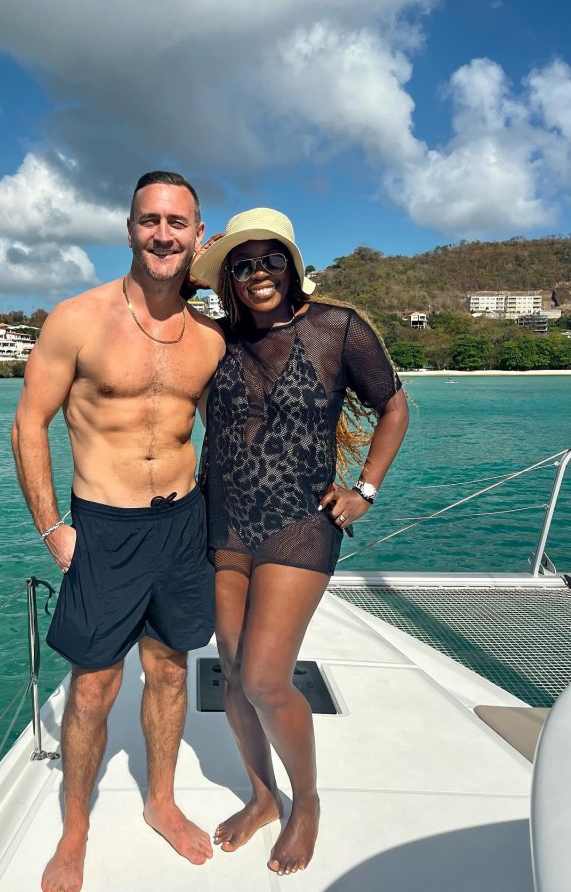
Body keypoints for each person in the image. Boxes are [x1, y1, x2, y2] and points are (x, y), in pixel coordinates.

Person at [12, 171, 225, 892]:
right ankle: (75, 829)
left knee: (170, 671)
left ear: (199, 235)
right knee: (94, 687)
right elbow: (28, 424)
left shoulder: (212, 338)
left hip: (182, 523)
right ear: (130, 228)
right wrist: (51, 529)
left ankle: (160, 801)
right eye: (149, 220)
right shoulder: (78, 319)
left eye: (178, 223)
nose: (163, 234)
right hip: (102, 526)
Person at [190, 207, 409, 877]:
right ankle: (261, 798)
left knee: (264, 676)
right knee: (231, 674)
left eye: (270, 258)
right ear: (228, 275)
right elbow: (150, 297)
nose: (258, 272)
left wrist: (364, 489)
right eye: (242, 262)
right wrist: (189, 254)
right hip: (223, 519)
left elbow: (394, 405)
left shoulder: (337, 329)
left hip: (299, 523)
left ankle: (304, 802)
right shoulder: (213, 338)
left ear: (291, 264)